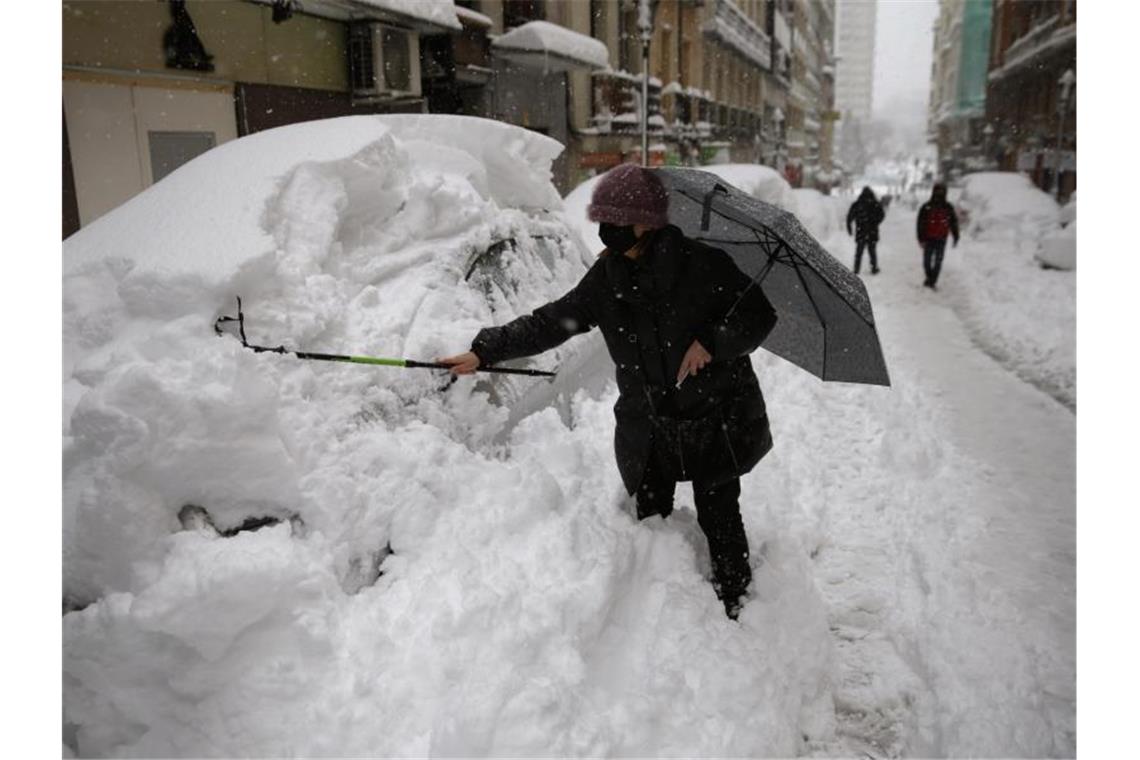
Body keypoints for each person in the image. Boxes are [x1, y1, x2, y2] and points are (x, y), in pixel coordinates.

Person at [439, 164, 778, 620]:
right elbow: (552, 321)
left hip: (713, 414)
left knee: (718, 509)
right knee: (650, 517)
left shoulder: (704, 265)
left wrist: (713, 343)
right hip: (651, 421)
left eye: (618, 221)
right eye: (603, 221)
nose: (608, 231)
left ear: (648, 221)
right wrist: (486, 351)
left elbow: (758, 314)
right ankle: (658, 613)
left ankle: (736, 603)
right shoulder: (608, 279)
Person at [916, 183, 960, 289]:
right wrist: (955, 236)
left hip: (931, 238)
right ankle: (932, 279)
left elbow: (920, 224)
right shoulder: (947, 207)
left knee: (928, 260)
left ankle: (930, 279)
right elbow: (953, 223)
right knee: (937, 261)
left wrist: (921, 238)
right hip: (940, 238)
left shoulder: (927, 206)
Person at [846, 186, 885, 275]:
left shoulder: (857, 204)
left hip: (861, 232)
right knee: (872, 252)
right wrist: (875, 222)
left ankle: (856, 269)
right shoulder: (875, 203)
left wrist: (849, 228)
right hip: (872, 232)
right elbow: (882, 215)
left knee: (859, 253)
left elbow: (850, 217)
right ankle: (874, 268)